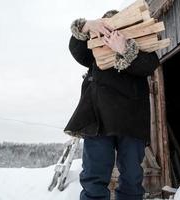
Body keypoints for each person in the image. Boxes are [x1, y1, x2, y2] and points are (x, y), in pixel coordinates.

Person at [64, 10, 160, 200]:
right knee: (94, 178)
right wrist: (87, 25)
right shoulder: (94, 51)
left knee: (132, 179)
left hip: (132, 121)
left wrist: (124, 49)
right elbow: (76, 48)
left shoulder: (142, 48)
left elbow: (150, 65)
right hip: (98, 119)